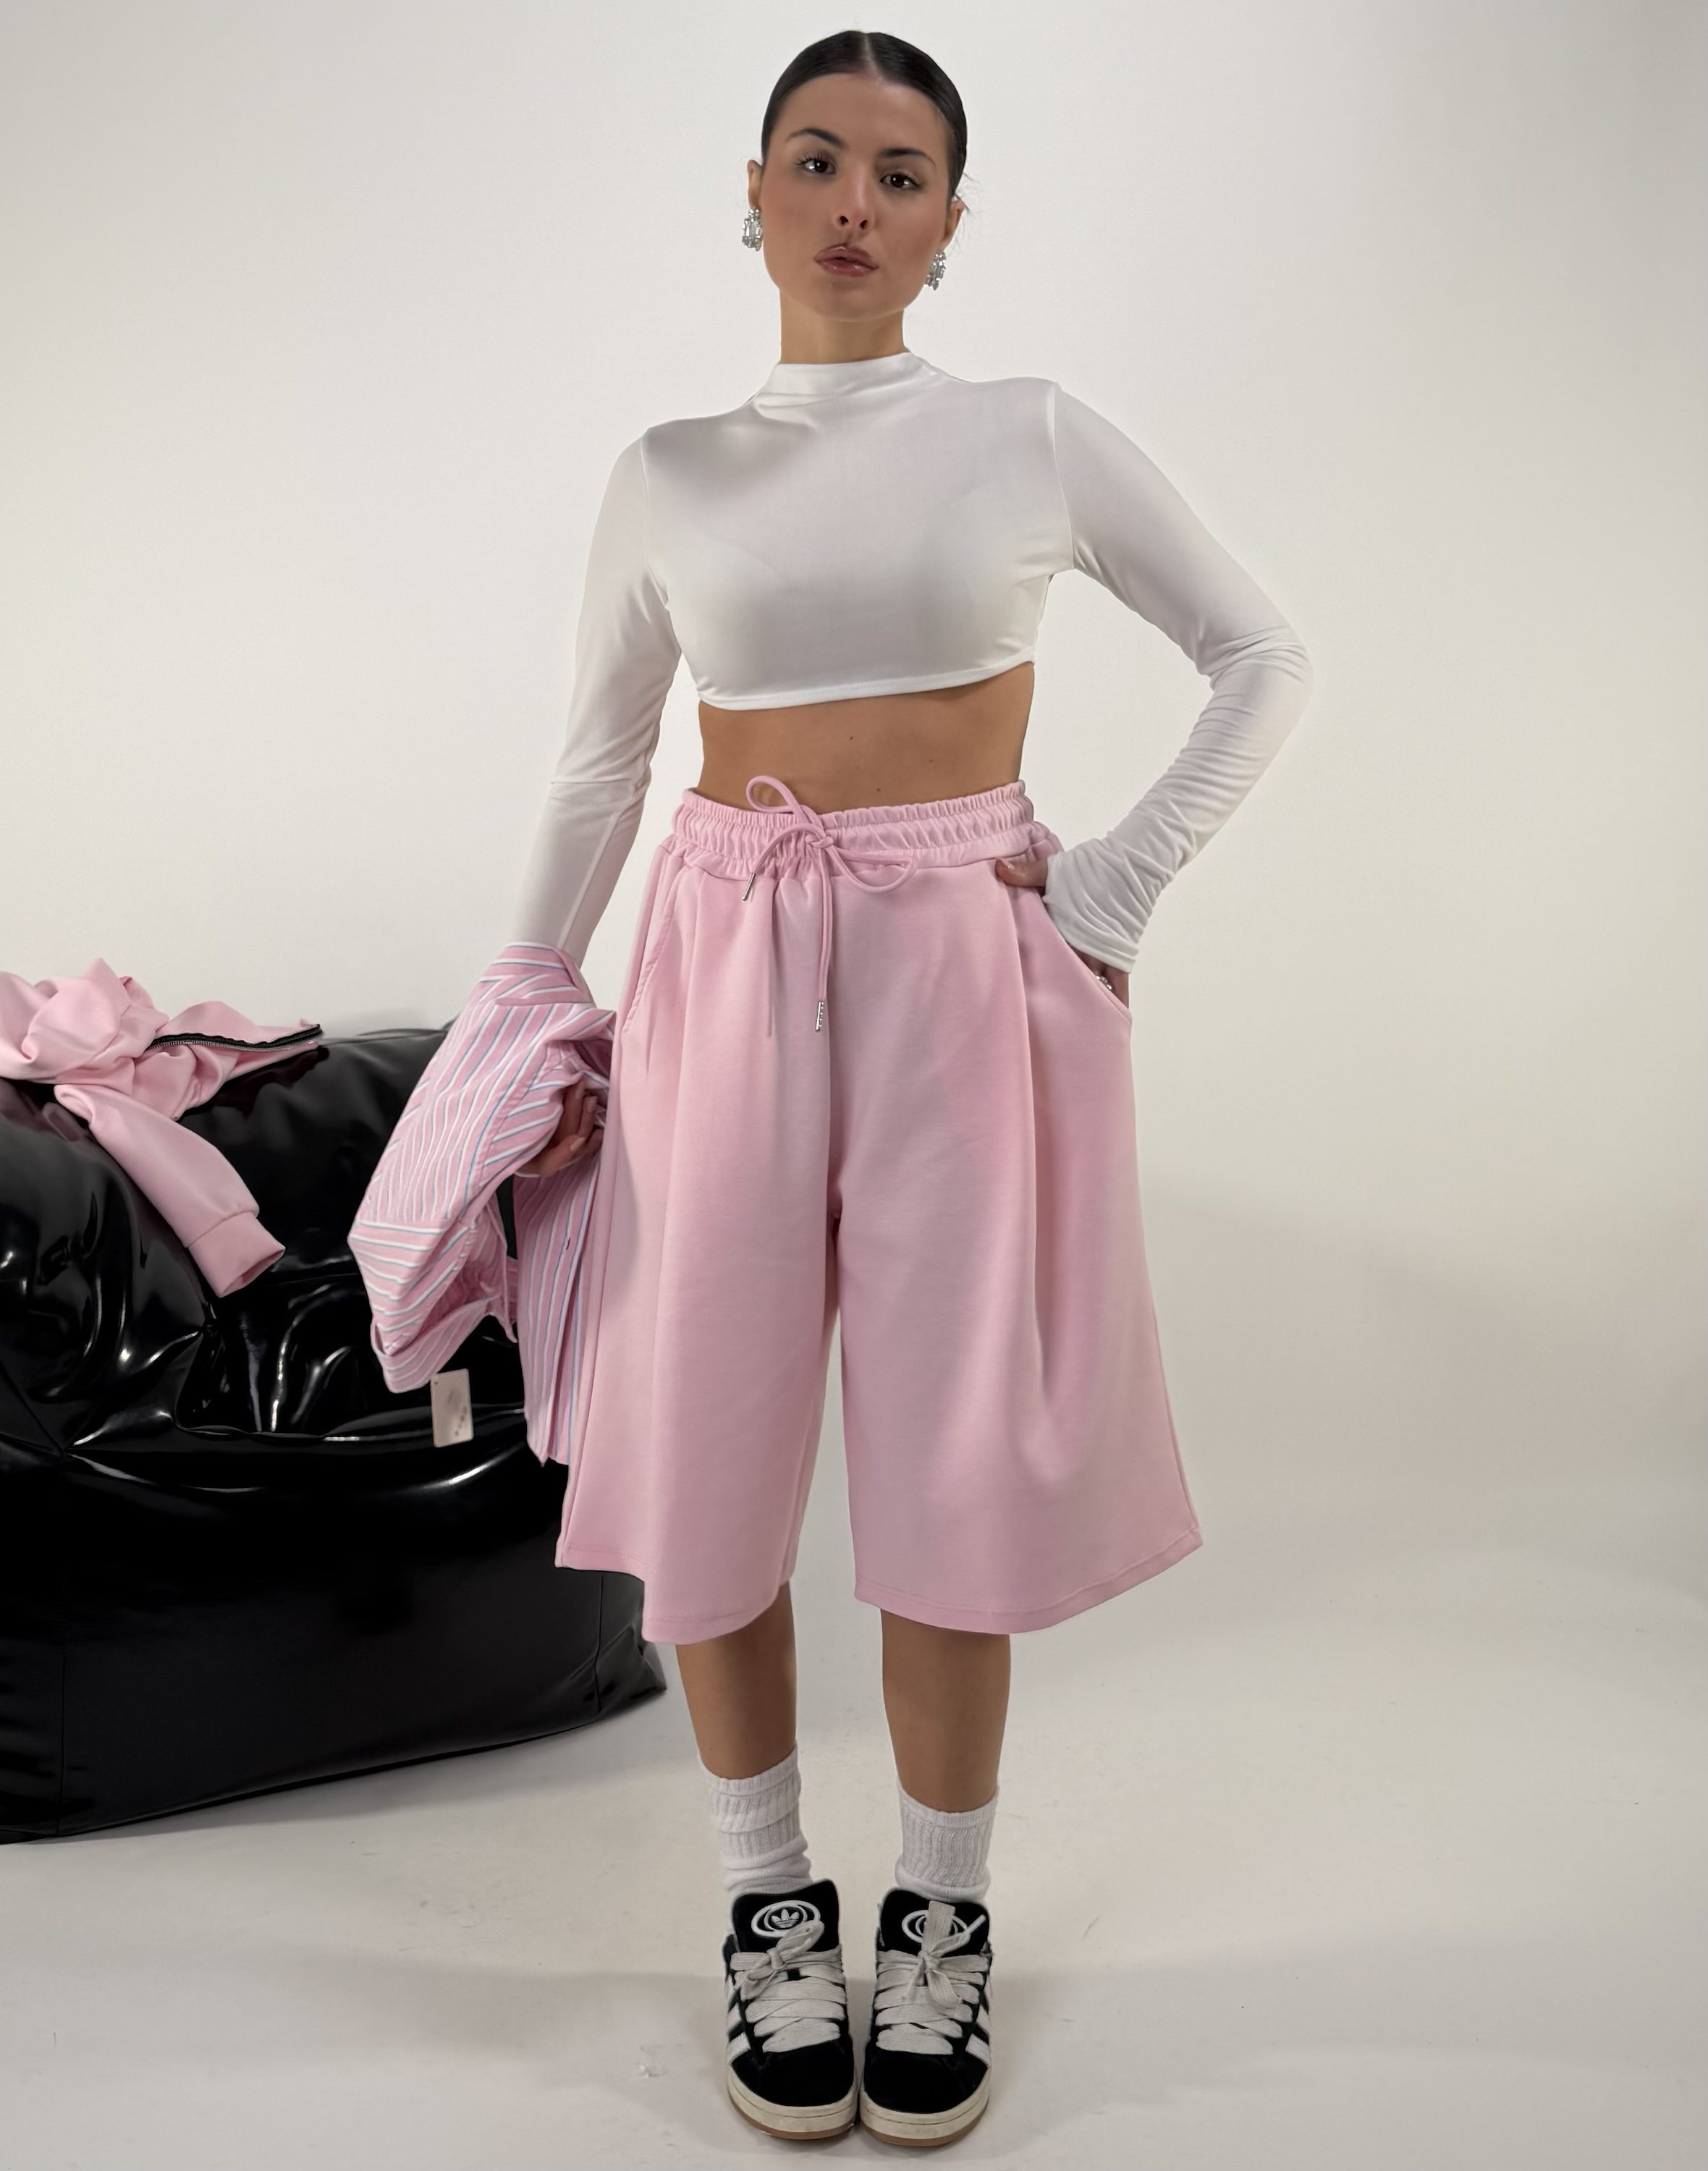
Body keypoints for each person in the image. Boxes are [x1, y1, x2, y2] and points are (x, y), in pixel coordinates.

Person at [508, 29, 1313, 2151]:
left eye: (900, 171)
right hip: (722, 955)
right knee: (710, 1439)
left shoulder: (1024, 430)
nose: (853, 201)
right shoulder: (673, 470)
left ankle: (940, 1911)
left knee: (960, 1450)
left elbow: (1263, 654)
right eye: (816, 159)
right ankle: (768, 1901)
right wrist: (526, 1004)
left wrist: (1113, 889)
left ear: (952, 224)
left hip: (971, 962)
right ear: (752, 192)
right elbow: (601, 762)